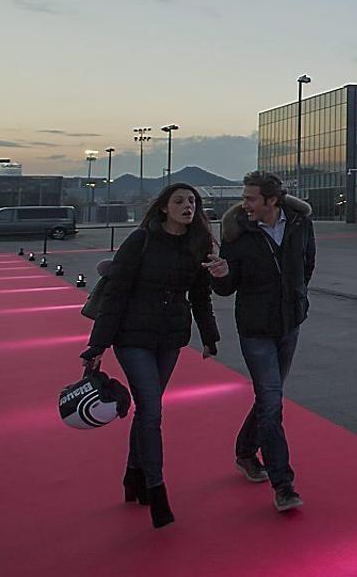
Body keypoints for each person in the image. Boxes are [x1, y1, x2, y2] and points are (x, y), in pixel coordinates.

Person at [81, 183, 226, 529]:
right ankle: (156, 489)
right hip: (132, 337)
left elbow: (201, 295)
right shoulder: (140, 240)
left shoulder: (199, 243)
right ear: (163, 208)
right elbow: (115, 293)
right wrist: (97, 345)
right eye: (179, 201)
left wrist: (209, 337)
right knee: (152, 410)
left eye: (192, 201)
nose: (187, 206)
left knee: (147, 409)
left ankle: (133, 475)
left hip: (170, 338)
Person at [213, 171, 316, 514]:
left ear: (272, 200)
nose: (245, 204)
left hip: (289, 324)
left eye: (251, 198)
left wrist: (297, 297)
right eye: (244, 198)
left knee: (268, 398)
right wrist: (221, 275)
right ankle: (283, 485)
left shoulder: (300, 223)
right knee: (271, 401)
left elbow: (307, 264)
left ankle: (245, 451)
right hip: (255, 328)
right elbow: (228, 287)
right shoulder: (237, 233)